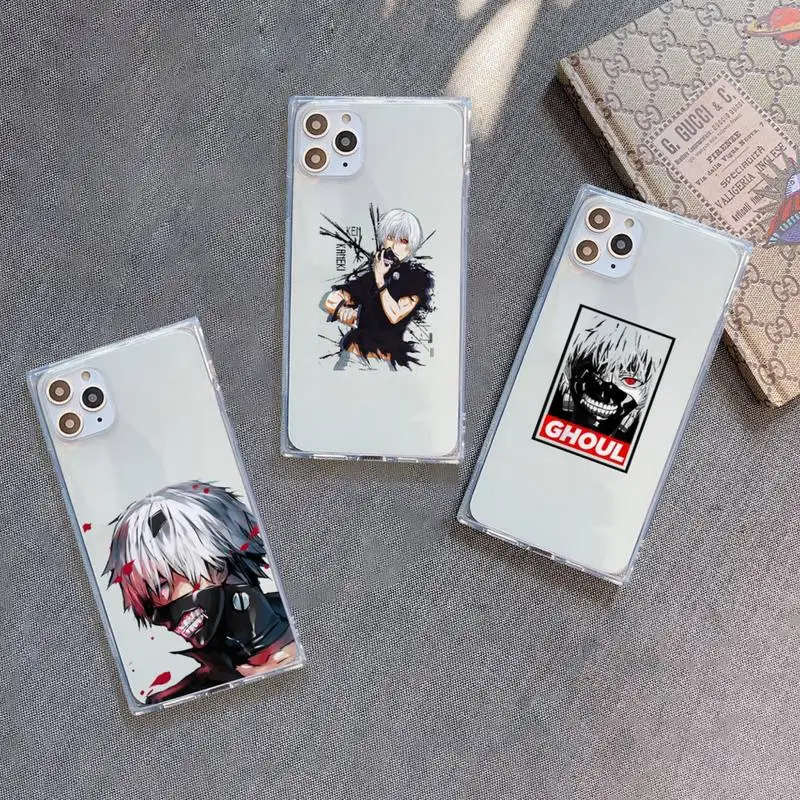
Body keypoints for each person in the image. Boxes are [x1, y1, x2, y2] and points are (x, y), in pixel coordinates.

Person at [104, 481, 297, 703]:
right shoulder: (176, 699)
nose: (158, 611)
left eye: (162, 585)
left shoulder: (306, 623)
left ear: (217, 566)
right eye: (148, 599)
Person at [322, 208, 434, 369]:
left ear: (410, 247)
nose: (394, 246)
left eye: (403, 240)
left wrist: (380, 280)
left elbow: (394, 315)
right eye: (390, 238)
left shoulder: (417, 278)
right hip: (354, 356)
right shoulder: (370, 278)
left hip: (387, 361)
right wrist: (341, 310)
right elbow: (332, 298)